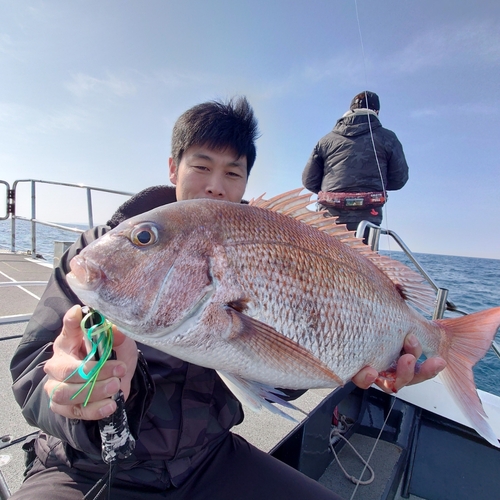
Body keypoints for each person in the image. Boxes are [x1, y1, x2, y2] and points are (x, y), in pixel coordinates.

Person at [10, 97, 445, 500]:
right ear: (172, 167)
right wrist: (67, 391)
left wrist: (367, 359)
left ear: (245, 183)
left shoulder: (271, 244)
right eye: (201, 166)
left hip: (207, 461)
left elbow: (278, 370)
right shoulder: (98, 253)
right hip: (79, 466)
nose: (216, 186)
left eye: (233, 173)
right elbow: (31, 371)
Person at [302, 91, 409, 237]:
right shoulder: (388, 138)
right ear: (376, 111)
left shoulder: (326, 140)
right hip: (367, 221)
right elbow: (399, 180)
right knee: (362, 259)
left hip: (328, 220)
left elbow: (309, 181)